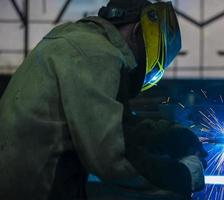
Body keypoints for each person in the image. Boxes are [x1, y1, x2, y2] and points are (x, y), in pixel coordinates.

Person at [0, 0, 206, 199]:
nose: (141, 72)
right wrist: (182, 175)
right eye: (151, 66)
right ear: (137, 33)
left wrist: (167, 135)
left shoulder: (75, 40)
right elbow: (113, 159)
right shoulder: (97, 56)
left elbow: (114, 127)